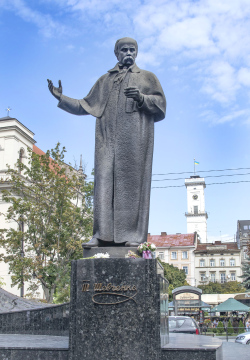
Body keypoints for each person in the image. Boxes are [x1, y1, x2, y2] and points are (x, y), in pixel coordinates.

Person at [47, 37, 166, 247]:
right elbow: (85, 105)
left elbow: (160, 105)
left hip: (134, 143)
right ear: (116, 53)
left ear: (136, 53)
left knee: (131, 187)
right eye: (124, 50)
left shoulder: (148, 78)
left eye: (132, 50)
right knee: (103, 184)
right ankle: (101, 235)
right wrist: (61, 98)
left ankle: (133, 236)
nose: (128, 53)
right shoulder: (105, 81)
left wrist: (141, 98)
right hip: (107, 141)